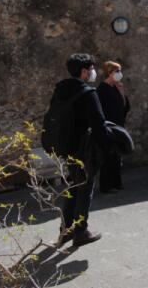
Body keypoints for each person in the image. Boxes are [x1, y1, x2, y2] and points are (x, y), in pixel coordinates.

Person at [53, 53, 114, 247]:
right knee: (85, 188)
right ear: (83, 71)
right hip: (85, 149)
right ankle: (81, 231)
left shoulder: (60, 90)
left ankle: (65, 230)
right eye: (91, 69)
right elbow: (99, 123)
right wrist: (106, 147)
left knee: (72, 187)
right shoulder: (88, 93)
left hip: (66, 147)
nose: (93, 72)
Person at [97, 61, 130, 193]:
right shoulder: (102, 89)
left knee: (117, 155)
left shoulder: (116, 87)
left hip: (119, 126)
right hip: (108, 126)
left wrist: (122, 92)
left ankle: (116, 182)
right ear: (109, 73)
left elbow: (125, 107)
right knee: (107, 156)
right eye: (117, 71)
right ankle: (106, 185)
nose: (120, 74)